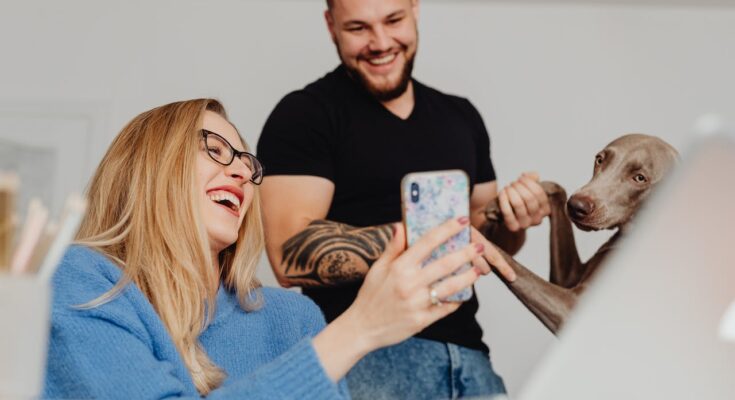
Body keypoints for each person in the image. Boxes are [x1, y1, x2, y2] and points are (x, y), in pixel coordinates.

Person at [43, 98, 514, 399]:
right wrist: (358, 330)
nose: (243, 173)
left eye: (248, 163)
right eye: (215, 149)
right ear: (150, 166)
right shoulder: (84, 282)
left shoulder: (293, 319)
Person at [256, 0, 551, 398]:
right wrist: (430, 235)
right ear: (331, 25)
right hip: (372, 358)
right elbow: (288, 254)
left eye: (393, 20)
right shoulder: (304, 115)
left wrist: (514, 217)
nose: (380, 42)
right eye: (358, 28)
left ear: (414, 9)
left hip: (471, 356)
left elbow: (486, 237)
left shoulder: (461, 116)